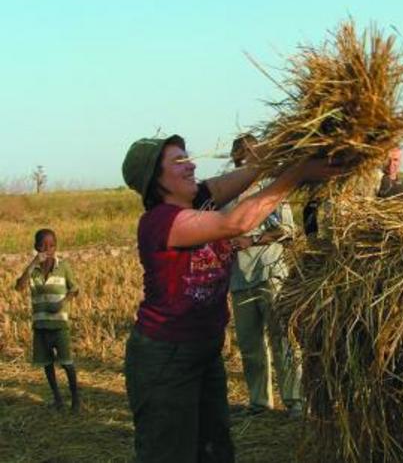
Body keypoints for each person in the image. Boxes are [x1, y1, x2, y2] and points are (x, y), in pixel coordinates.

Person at [121, 134, 345, 463]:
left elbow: (253, 170)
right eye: (180, 162)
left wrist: (293, 144)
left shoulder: (201, 198)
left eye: (188, 157)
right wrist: (297, 173)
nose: (192, 165)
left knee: (215, 451)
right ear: (156, 179)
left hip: (205, 351)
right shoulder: (159, 222)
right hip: (165, 358)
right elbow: (235, 222)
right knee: (170, 454)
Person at [227, 134, 303, 417]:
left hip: (270, 272)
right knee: (250, 345)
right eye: (243, 154)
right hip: (239, 278)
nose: (247, 158)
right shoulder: (227, 195)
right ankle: (259, 402)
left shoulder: (270, 190)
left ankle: (295, 400)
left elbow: (288, 231)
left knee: (283, 338)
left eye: (252, 153)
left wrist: (253, 240)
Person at [14, 228, 80, 413]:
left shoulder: (63, 267)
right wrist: (32, 263)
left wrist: (62, 302)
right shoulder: (33, 270)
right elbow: (19, 287)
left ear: (56, 247)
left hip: (59, 325)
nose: (47, 249)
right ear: (36, 247)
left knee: (67, 363)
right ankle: (57, 398)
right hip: (41, 325)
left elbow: (74, 289)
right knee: (47, 364)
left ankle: (75, 400)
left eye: (51, 245)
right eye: (43, 245)